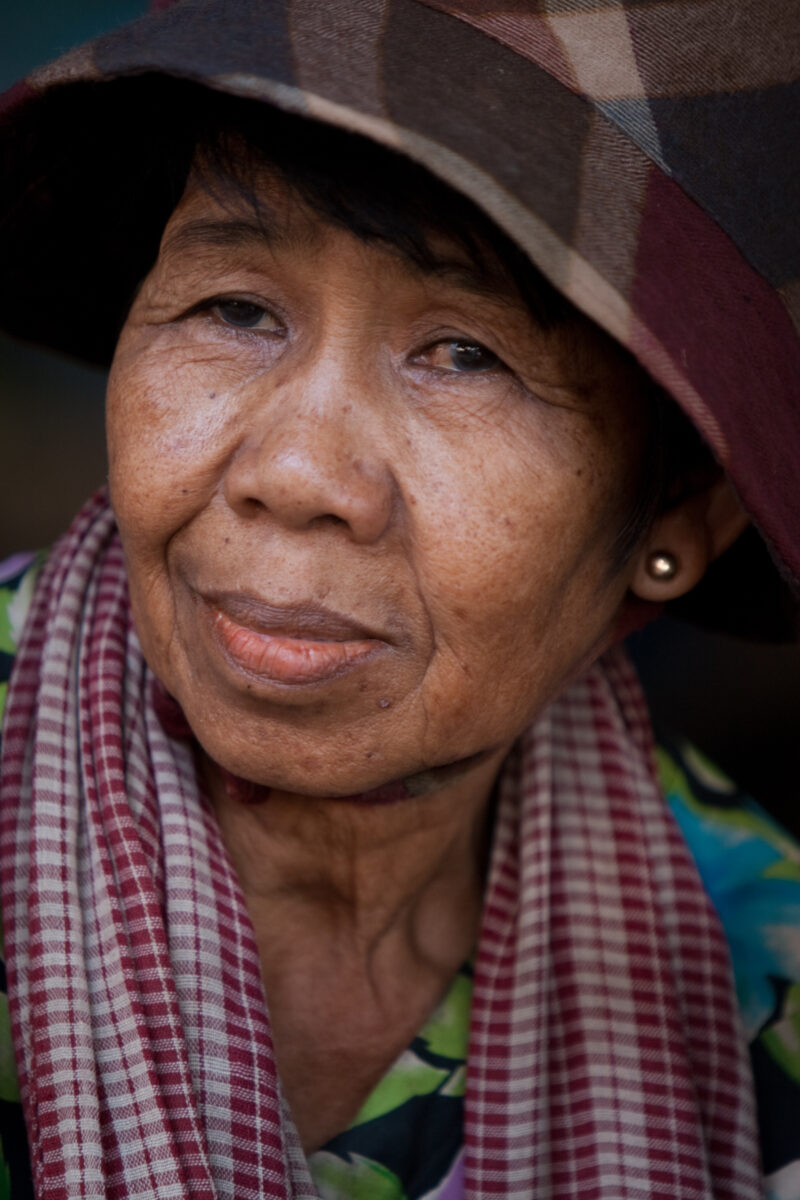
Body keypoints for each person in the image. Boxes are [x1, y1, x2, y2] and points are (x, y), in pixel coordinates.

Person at [0, 2, 798, 1198]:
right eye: (234, 308)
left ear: (676, 520)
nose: (295, 474)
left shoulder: (759, 973)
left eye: (463, 353)